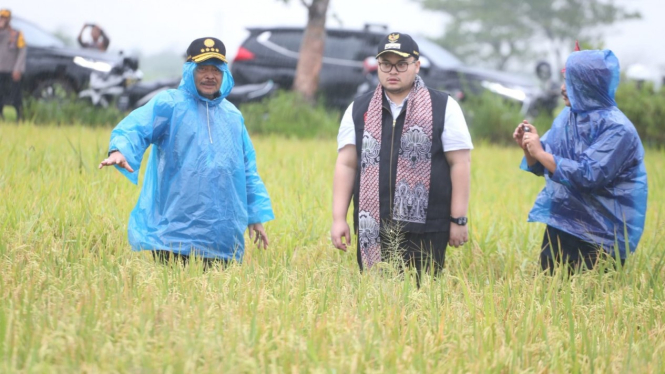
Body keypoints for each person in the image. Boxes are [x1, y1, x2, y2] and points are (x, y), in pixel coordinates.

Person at [99, 37, 274, 268]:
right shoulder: (170, 105)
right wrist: (120, 149)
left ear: (224, 74)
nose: (210, 75)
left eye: (216, 69)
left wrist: (255, 215)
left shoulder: (232, 116)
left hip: (221, 239)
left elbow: (247, 170)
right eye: (203, 68)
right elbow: (136, 127)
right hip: (173, 236)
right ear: (190, 70)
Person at [331, 32, 473, 278]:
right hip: (372, 227)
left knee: (422, 300)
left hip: (428, 227)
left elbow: (460, 163)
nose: (392, 71)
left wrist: (458, 219)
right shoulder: (358, 109)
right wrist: (338, 218)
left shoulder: (444, 107)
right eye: (386, 64)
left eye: (401, 64)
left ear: (416, 66)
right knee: (376, 300)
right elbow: (347, 164)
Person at [513, 48, 648, 274]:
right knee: (550, 299)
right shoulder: (569, 117)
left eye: (570, 81)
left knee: (592, 301)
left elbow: (588, 175)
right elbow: (545, 164)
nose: (563, 88)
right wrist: (530, 148)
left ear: (589, 85)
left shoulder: (618, 128)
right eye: (565, 80)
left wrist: (541, 153)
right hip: (562, 224)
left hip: (602, 236)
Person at [0, 9, 26, 122]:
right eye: (1, 17)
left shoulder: (16, 34)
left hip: (11, 70)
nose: (3, 20)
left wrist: (18, 69)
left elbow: (22, 52)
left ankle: (19, 118)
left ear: (9, 19)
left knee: (15, 95)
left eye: (5, 18)